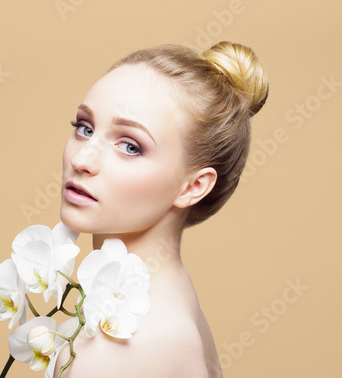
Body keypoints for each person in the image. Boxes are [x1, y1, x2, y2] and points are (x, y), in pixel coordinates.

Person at [57, 41, 269, 377]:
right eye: (85, 128)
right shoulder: (174, 306)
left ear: (193, 186)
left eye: (130, 146)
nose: (81, 160)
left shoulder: (124, 349)